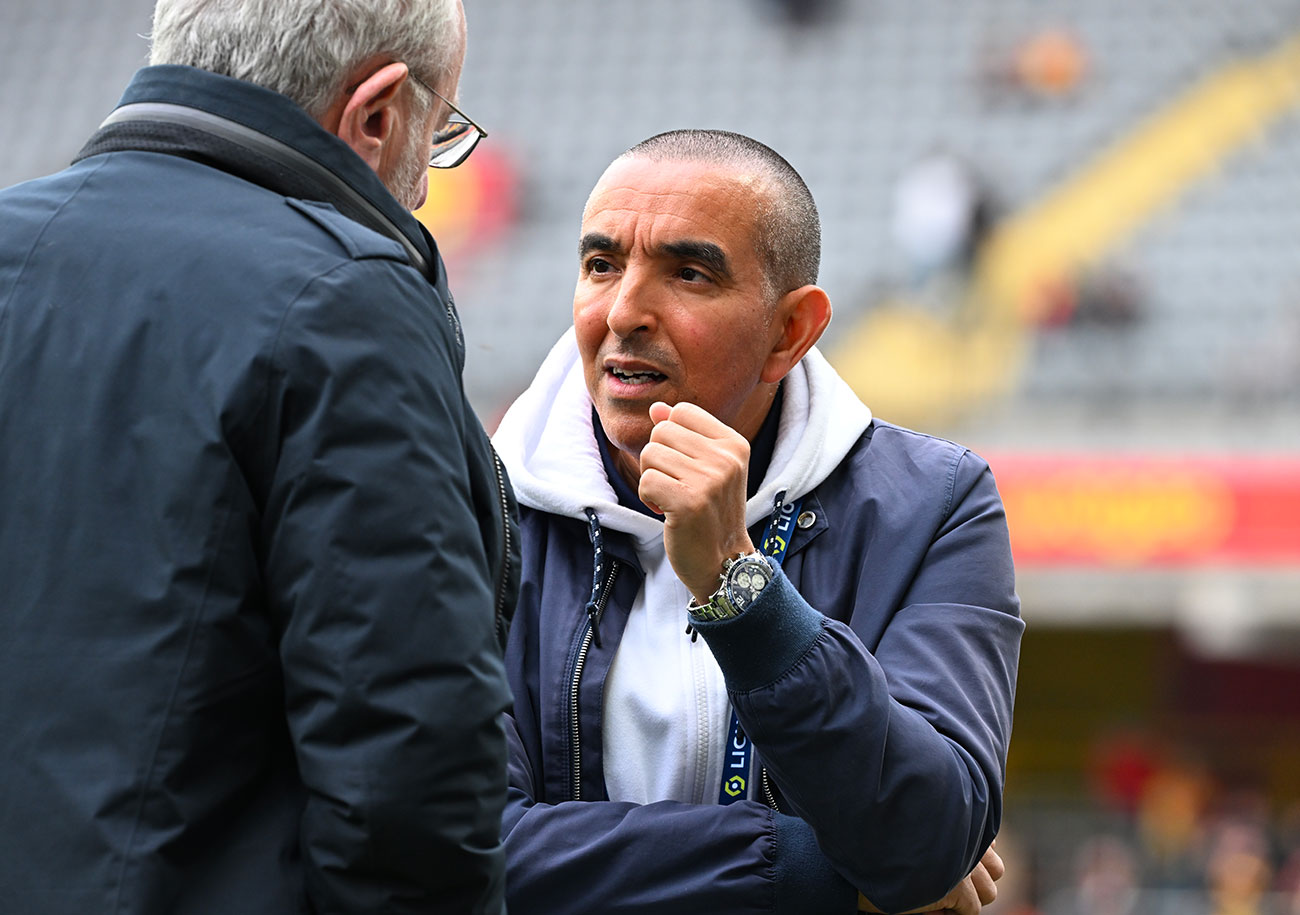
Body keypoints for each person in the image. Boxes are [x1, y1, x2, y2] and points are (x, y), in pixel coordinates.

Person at [0, 1, 517, 912]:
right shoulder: (343, 300)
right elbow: (405, 764)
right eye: (440, 139)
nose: (429, 186)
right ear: (378, 111)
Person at [492, 129, 1024, 914]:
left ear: (791, 332)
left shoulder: (937, 505)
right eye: (601, 264)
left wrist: (741, 587)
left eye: (688, 272)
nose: (625, 310)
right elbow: (456, 847)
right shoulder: (478, 505)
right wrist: (814, 872)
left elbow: (929, 830)